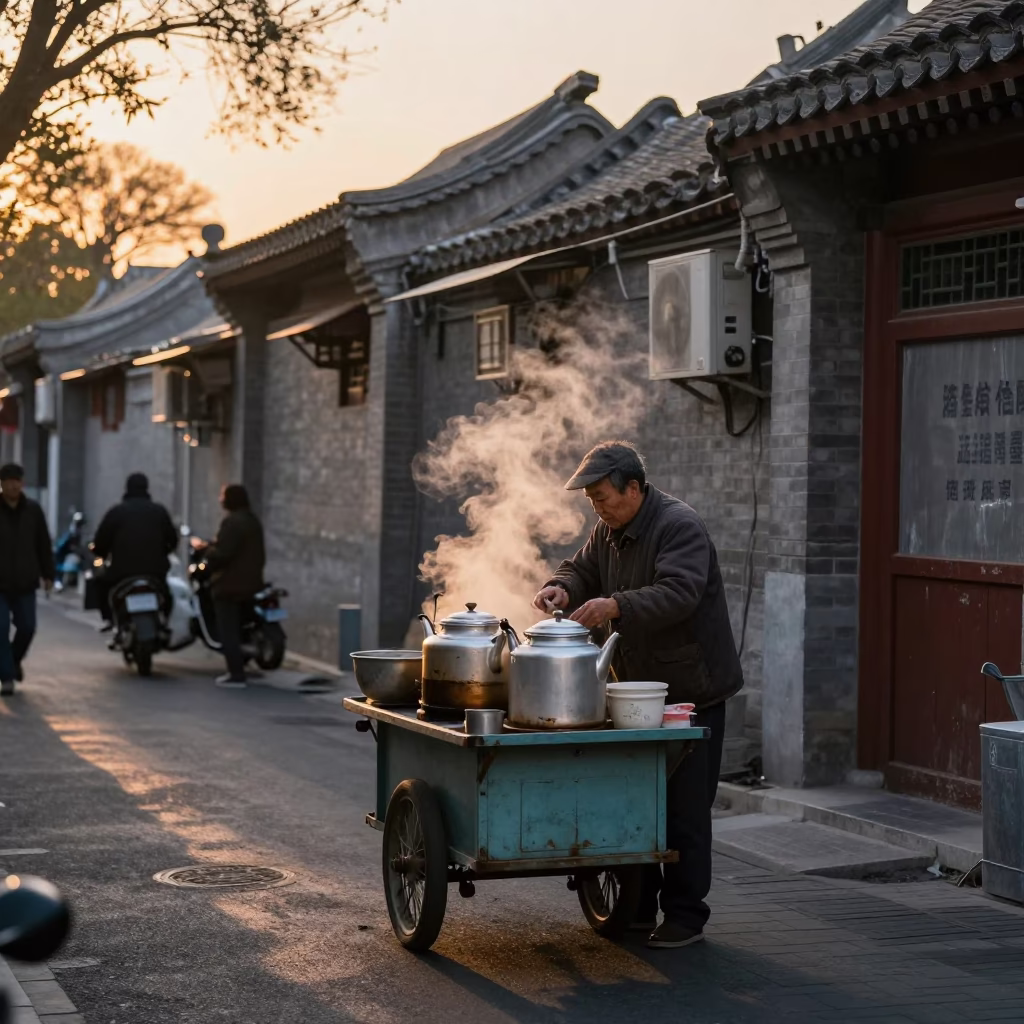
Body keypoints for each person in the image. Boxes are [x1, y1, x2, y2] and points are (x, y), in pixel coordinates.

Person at [533, 440, 743, 950]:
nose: (597, 507)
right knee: (634, 801)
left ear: (635, 488)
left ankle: (686, 916)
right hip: (634, 689)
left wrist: (615, 606)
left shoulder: (678, 525)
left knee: (684, 809)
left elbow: (680, 592)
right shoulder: (609, 529)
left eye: (603, 496)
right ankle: (636, 905)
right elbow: (581, 569)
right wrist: (561, 586)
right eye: (591, 501)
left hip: (690, 690)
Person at [92, 473, 178, 629]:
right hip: (155, 572)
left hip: (121, 573)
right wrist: (162, 553)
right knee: (167, 594)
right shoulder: (159, 512)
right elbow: (173, 540)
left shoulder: (116, 512)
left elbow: (100, 541)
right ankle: (164, 622)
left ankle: (109, 620)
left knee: (101, 584)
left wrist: (102, 554)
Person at [202, 484, 265, 688]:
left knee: (227, 629)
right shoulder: (252, 521)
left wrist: (207, 552)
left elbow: (222, 553)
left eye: (222, 495)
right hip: (252, 582)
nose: (220, 499)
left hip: (230, 585)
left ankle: (235, 673)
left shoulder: (232, 522)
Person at [0, 464, 55, 696]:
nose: (13, 485)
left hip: (25, 581)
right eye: (8, 481)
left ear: (22, 483)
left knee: (27, 627)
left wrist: (48, 574)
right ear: (1, 484)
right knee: (0, 628)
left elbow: (43, 544)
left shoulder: (33, 510)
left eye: (17, 480)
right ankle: (7, 677)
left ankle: (12, 662)